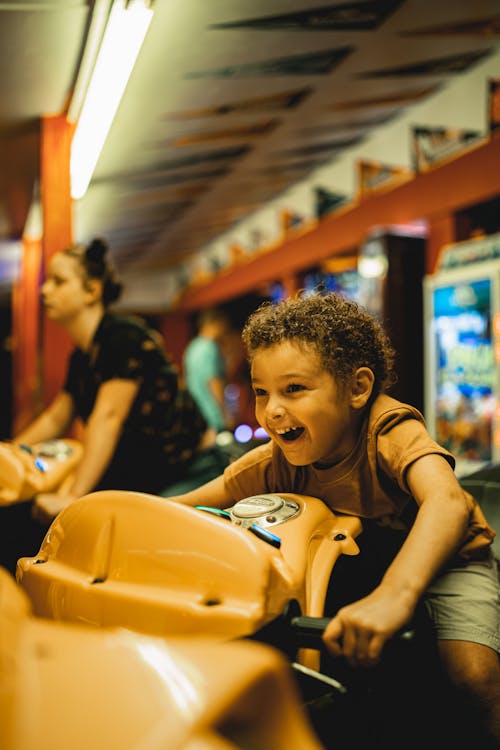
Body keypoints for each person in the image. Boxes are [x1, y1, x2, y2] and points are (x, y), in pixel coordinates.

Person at [168, 292, 500, 745]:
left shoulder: (389, 430)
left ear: (358, 388)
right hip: (365, 563)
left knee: (473, 675)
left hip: (449, 558)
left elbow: (448, 503)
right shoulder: (278, 458)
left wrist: (393, 597)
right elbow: (187, 504)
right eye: (261, 392)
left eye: (294, 389)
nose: (272, 411)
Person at [14, 238, 207, 525]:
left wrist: (73, 496)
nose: (45, 290)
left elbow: (108, 417)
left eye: (58, 281)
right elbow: (56, 419)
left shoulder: (122, 337)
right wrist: (9, 454)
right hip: (148, 474)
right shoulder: (82, 357)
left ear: (92, 291)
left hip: (192, 469)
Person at [183, 307, 234, 442]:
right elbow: (213, 381)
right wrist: (224, 413)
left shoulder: (192, 347)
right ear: (215, 324)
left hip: (196, 414)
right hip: (212, 415)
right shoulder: (210, 347)